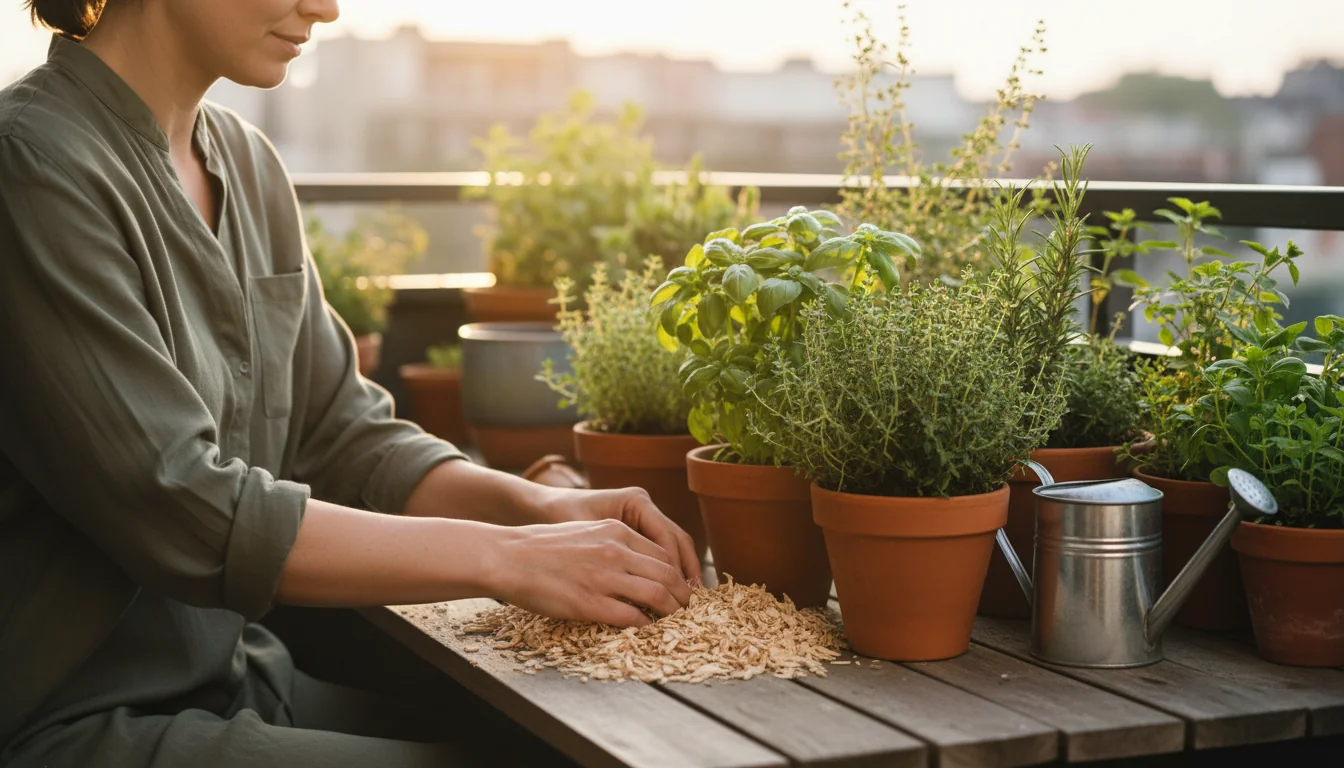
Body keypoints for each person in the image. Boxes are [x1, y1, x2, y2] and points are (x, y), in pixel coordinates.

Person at [0, 1, 701, 765]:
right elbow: (183, 505)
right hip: (72, 721)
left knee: (561, 744)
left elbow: (344, 433)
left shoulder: (248, 162)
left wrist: (536, 505)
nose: (325, 8)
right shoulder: (31, 164)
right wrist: (509, 558)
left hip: (241, 680)